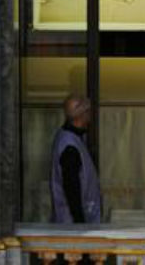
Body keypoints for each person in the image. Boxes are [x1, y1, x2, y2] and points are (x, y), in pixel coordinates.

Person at [50, 94, 101, 223]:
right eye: (88, 112)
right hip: (73, 223)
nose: (90, 117)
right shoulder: (70, 145)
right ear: (82, 115)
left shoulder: (70, 139)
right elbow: (71, 186)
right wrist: (79, 220)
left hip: (75, 220)